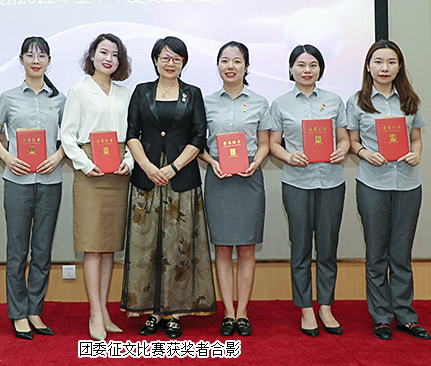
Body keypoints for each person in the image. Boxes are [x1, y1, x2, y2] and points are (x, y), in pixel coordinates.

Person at [120, 36, 216, 339]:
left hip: (181, 179)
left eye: (176, 58)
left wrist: (173, 167)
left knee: (179, 246)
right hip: (147, 179)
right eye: (165, 57)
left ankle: (174, 312)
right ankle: (151, 311)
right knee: (146, 246)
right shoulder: (141, 91)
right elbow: (131, 133)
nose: (170, 63)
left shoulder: (193, 94)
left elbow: (198, 137)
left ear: (183, 62)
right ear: (155, 60)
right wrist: (148, 166)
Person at [346, 39, 431, 341]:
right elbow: (352, 141)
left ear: (399, 66)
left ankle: (405, 316)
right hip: (373, 184)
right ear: (368, 66)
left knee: (402, 254)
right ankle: (381, 317)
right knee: (376, 254)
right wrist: (364, 153)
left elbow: (416, 139)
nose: (385, 67)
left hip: (408, 184)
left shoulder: (410, 100)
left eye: (391, 62)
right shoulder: (357, 101)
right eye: (379, 61)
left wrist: (416, 153)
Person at [0, 37, 66, 340]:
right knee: (17, 249)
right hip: (17, 181)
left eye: (41, 55)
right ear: (20, 60)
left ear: (49, 61)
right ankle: (18, 313)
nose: (36, 61)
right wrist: (7, 157)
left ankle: (35, 310)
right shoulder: (8, 97)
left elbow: (70, 137)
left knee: (42, 250)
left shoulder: (60, 99)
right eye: (30, 55)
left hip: (50, 181)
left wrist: (57, 157)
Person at [269, 44, 350, 337]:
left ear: (320, 69)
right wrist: (289, 156)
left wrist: (342, 150)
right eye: (301, 65)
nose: (307, 70)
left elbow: (344, 138)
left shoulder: (334, 100)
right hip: (297, 184)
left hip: (331, 182)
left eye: (313, 65)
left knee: (327, 248)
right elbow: (273, 143)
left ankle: (325, 306)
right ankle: (305, 308)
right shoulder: (280, 104)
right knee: (301, 248)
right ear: (291, 69)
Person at [60, 33, 133, 341]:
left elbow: (134, 134)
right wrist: (85, 163)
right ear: (92, 56)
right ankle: (94, 313)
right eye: (103, 52)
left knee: (109, 247)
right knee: (92, 245)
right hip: (90, 172)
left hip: (118, 172)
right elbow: (67, 135)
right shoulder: (78, 92)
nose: (108, 59)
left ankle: (104, 310)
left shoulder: (126, 94)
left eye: (115, 55)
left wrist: (129, 160)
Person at [198, 41, 272, 337]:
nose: (230, 66)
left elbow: (265, 143)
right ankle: (228, 312)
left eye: (237, 61)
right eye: (225, 60)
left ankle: (243, 313)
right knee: (222, 248)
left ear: (246, 66)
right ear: (218, 66)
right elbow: (198, 144)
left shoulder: (259, 102)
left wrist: (256, 162)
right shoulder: (205, 102)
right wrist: (211, 161)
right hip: (218, 179)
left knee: (247, 248)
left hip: (248, 179)